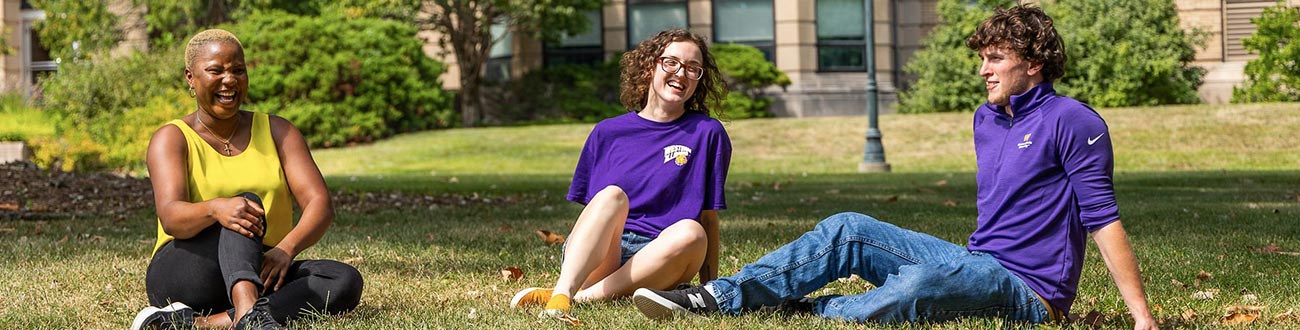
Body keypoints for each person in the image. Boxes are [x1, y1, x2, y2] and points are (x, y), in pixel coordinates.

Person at [631, 5, 1158, 329]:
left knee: (920, 283)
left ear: (1034, 63)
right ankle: (715, 298)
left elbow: (1101, 218)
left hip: (1029, 291)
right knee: (847, 229)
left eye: (995, 58)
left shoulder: (1074, 120)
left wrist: (1142, 317)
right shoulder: (987, 118)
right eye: (982, 58)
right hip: (978, 261)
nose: (982, 70)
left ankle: (805, 311)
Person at [132, 29, 363, 330]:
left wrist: (285, 249)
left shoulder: (279, 131)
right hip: (187, 270)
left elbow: (319, 203)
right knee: (246, 206)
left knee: (343, 280)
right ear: (190, 77)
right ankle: (248, 316)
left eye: (238, 71)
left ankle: (207, 323)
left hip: (260, 266)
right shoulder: (172, 138)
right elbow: (172, 217)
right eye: (215, 71)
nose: (229, 80)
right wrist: (216, 208)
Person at [509, 29, 732, 320]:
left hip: (663, 257)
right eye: (671, 62)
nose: (682, 73)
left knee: (692, 232)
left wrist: (709, 289)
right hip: (602, 257)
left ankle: (575, 298)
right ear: (650, 65)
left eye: (693, 68)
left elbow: (708, 218)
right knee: (612, 196)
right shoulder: (607, 132)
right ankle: (564, 293)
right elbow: (595, 216)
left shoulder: (707, 133)